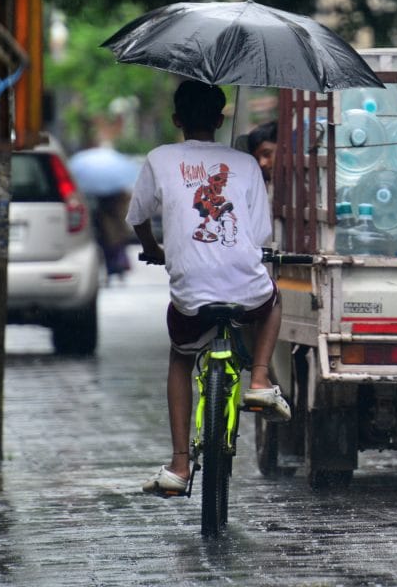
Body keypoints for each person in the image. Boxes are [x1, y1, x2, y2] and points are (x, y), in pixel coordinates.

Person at [127, 80, 291, 497]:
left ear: (176, 120)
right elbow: (259, 234)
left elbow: (138, 216)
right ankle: (259, 380)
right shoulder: (246, 163)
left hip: (190, 295)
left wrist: (154, 249)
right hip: (247, 286)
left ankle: (180, 464)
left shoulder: (160, 158)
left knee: (181, 357)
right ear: (220, 120)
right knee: (273, 299)